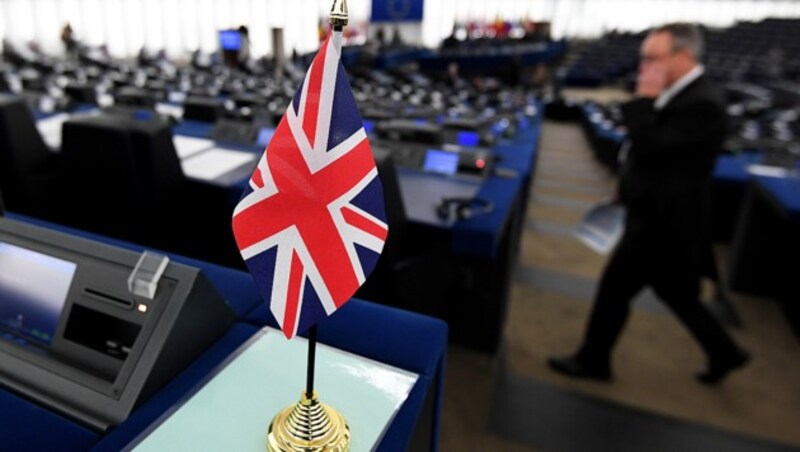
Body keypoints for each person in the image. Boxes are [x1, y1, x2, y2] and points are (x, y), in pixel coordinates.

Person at [549, 23, 749, 385]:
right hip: (655, 214)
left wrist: (643, 98)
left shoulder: (702, 103)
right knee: (678, 295)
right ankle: (725, 351)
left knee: (616, 290)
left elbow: (653, 146)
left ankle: (594, 360)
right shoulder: (680, 93)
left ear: (684, 56)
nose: (644, 67)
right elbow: (655, 161)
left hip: (664, 225)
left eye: (653, 58)